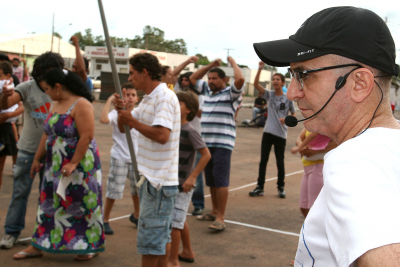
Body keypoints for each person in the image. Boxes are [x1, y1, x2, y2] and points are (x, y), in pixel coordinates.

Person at [254, 6, 400, 266]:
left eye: (303, 75)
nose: (292, 93)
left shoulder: (355, 160)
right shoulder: (388, 146)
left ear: (359, 84)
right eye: (291, 75)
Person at [11, 68, 104, 260]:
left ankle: (87, 245)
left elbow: (87, 136)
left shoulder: (82, 104)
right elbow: (47, 132)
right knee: (49, 203)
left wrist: (74, 163)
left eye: (47, 88)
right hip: (55, 164)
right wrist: (37, 158)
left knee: (80, 203)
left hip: (79, 166)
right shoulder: (55, 102)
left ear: (58, 87)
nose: (45, 92)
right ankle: (39, 243)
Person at [113, 52, 180, 267]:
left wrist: (130, 120)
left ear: (144, 72)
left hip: (158, 183)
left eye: (132, 73)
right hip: (151, 181)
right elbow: (126, 129)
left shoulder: (164, 97)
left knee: (151, 244)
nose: (130, 78)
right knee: (159, 240)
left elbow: (162, 135)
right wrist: (122, 110)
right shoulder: (149, 99)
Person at [0, 52, 64, 249]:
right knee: (19, 193)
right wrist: (5, 95)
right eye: (47, 72)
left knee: (49, 197)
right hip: (28, 150)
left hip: (54, 152)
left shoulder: (61, 89)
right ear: (39, 72)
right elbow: (7, 104)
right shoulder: (27, 87)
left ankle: (43, 235)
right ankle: (11, 232)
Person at [189, 57, 244, 231]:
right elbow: (192, 79)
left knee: (220, 181)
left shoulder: (231, 93)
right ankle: (213, 211)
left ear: (225, 80)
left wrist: (233, 63)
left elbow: (240, 79)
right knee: (211, 180)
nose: (210, 81)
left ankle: (221, 217)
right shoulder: (207, 91)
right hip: (206, 144)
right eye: (209, 78)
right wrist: (210, 66)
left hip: (222, 143)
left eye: (214, 78)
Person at [168, 91, 210, 267]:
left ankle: (173, 261)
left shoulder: (190, 130)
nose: (175, 104)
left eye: (179, 102)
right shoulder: (173, 127)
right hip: (172, 183)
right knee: (179, 219)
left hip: (183, 185)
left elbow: (206, 154)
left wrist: (192, 177)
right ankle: (187, 251)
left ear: (189, 110)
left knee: (175, 225)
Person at [249, 62, 295, 198]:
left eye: (277, 79)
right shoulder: (269, 95)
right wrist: (259, 69)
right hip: (268, 133)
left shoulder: (288, 99)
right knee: (263, 160)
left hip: (281, 134)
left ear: (282, 83)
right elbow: (256, 84)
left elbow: (294, 115)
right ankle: (260, 187)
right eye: (273, 79)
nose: (275, 81)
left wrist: (286, 119)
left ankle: (281, 187)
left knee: (279, 162)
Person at [100, 83, 140, 234]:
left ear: (137, 98)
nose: (129, 98)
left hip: (136, 158)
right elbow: (103, 120)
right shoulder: (116, 113)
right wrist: (109, 101)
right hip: (120, 156)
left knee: (137, 189)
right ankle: (105, 219)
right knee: (114, 190)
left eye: (132, 95)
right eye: (126, 95)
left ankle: (137, 215)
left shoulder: (138, 113)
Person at [291, 129, 335, 217]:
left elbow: (314, 134)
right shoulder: (308, 124)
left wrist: (299, 148)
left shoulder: (323, 125)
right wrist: (302, 147)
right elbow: (299, 137)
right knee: (304, 207)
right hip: (307, 167)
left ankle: (318, 230)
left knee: (314, 208)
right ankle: (310, 229)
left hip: (318, 167)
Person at [0, 61, 24, 190]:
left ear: (7, 75)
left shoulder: (9, 88)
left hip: (3, 129)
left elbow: (22, 105)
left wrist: (8, 116)